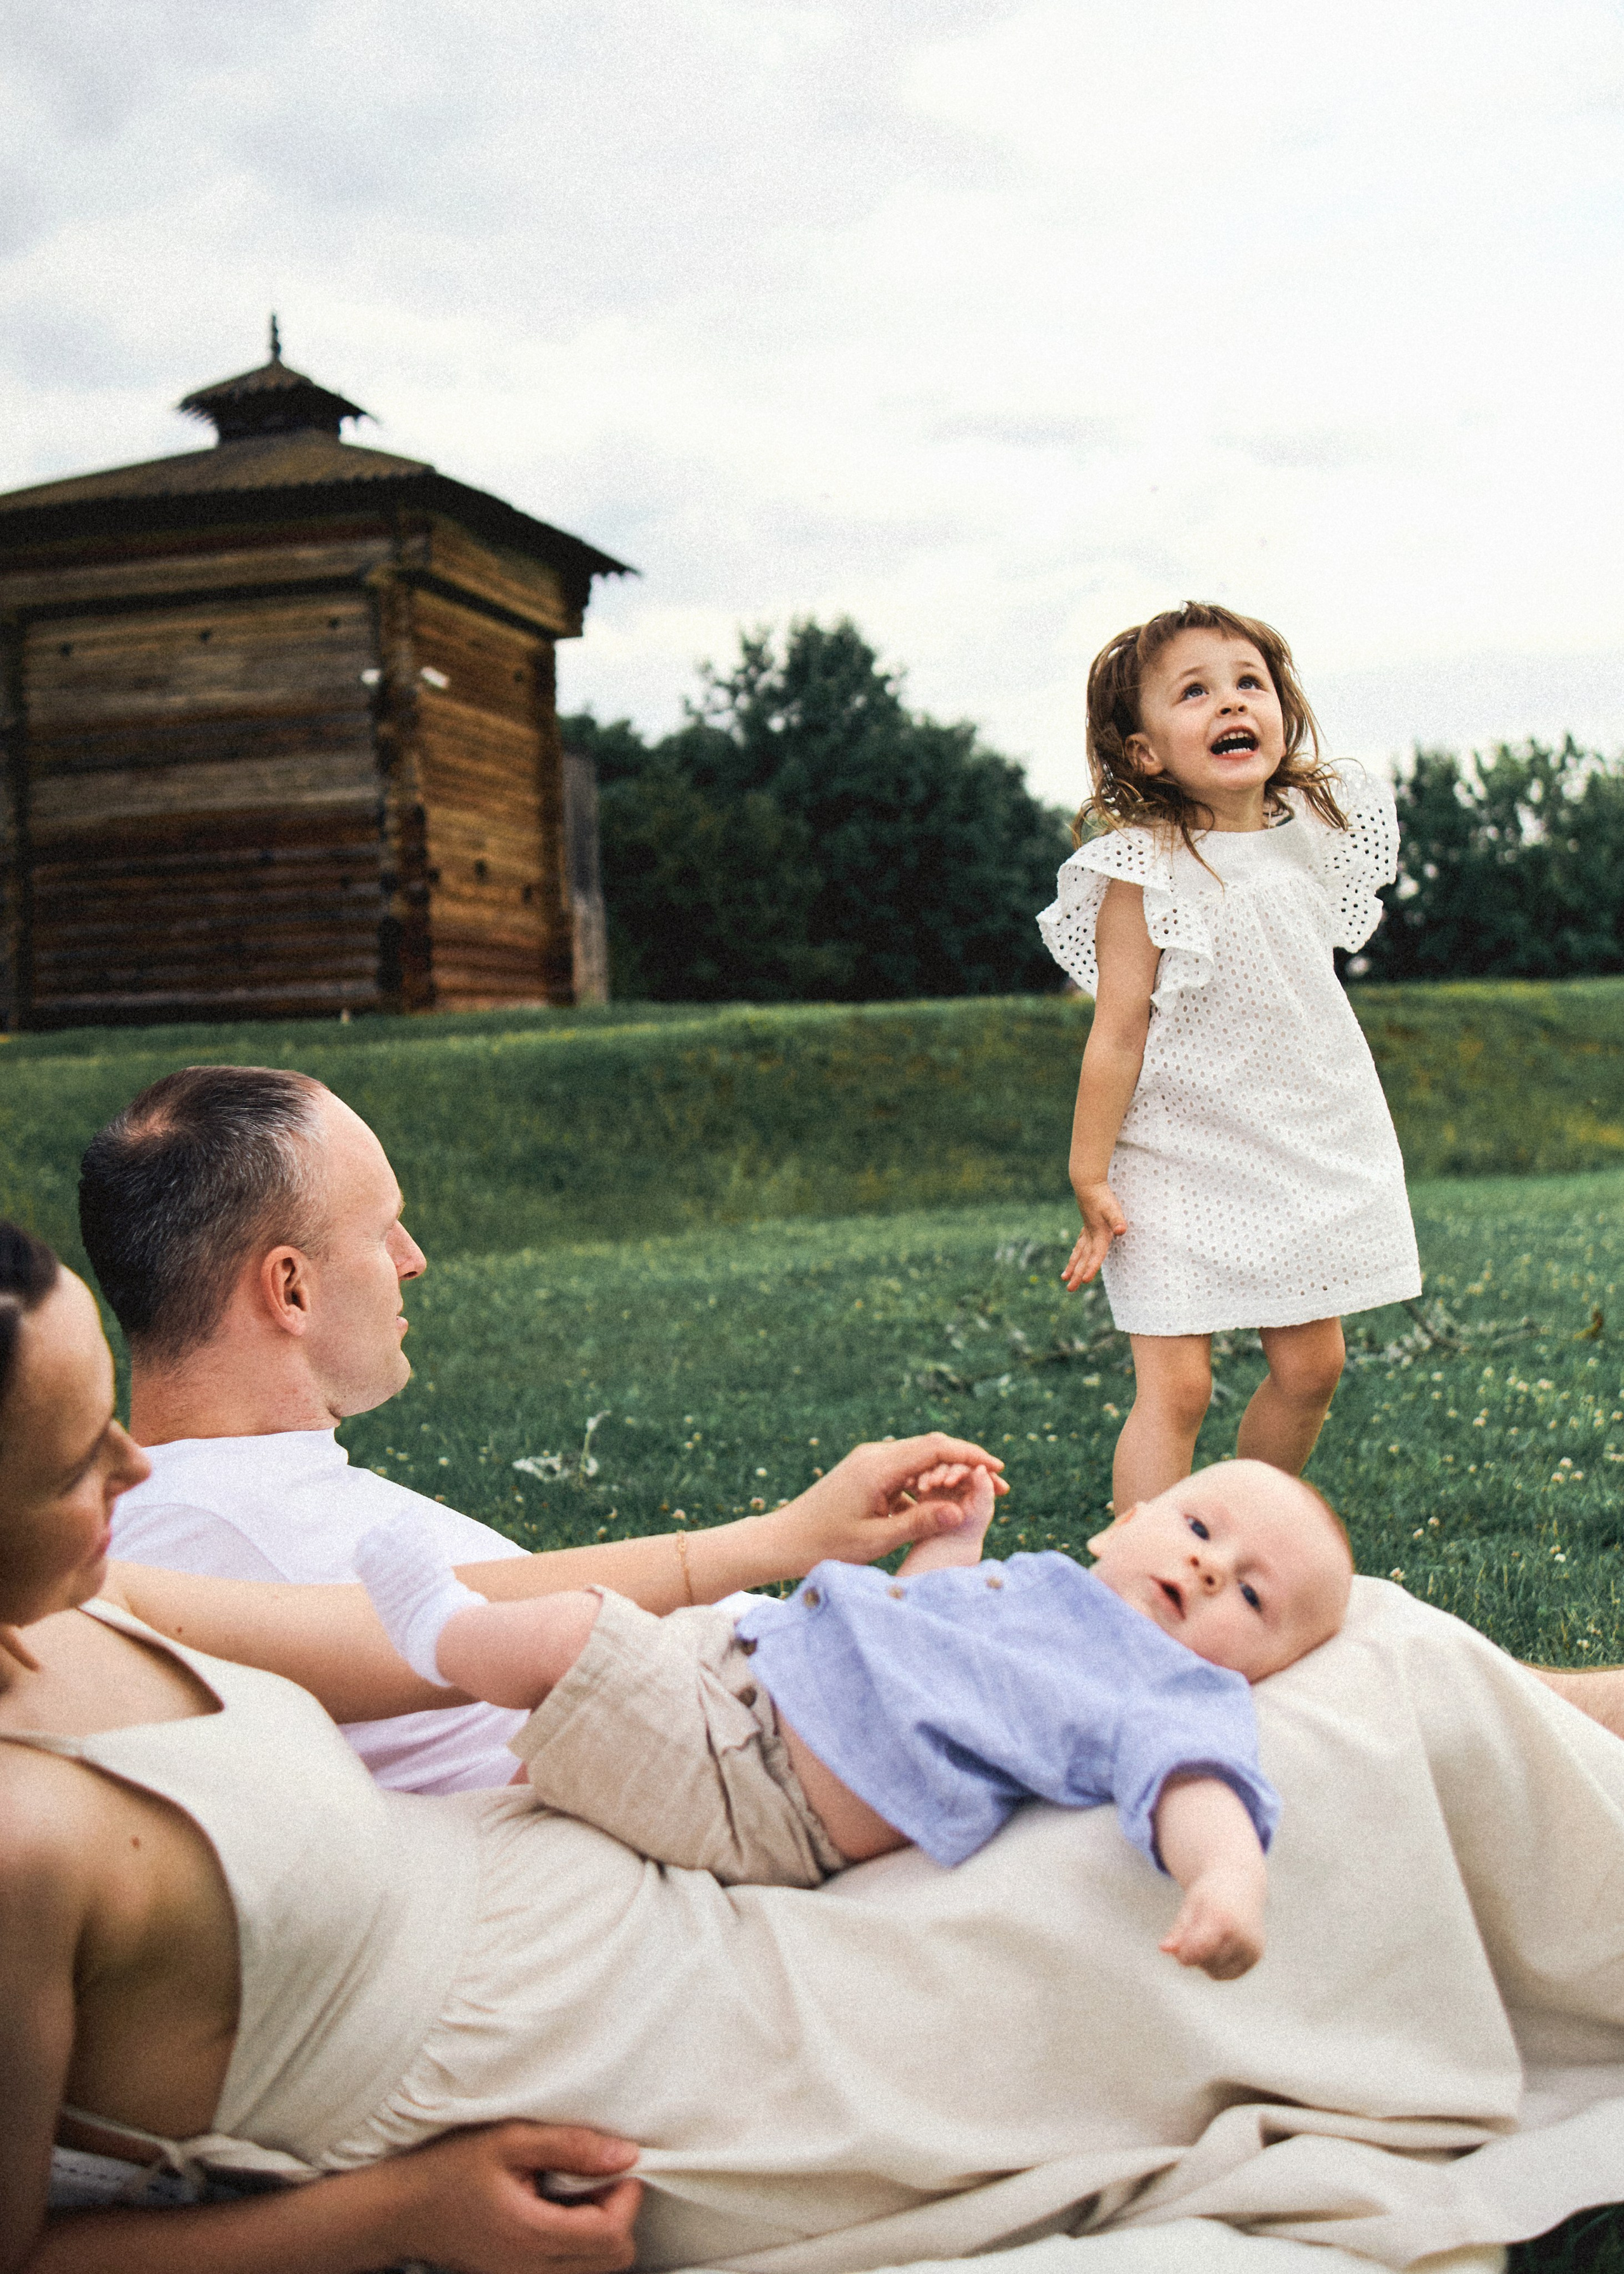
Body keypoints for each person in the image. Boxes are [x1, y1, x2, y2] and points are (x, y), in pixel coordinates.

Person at [11, 1220, 1624, 2274]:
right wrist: (391, 2221)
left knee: (1348, 1655)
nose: (143, 1466)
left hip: (662, 1855)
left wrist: (774, 1537)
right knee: (1283, 1773)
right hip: (623, 2054)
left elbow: (425, 1632)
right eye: (81, 1451)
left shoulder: (94, 1584)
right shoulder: (19, 1840)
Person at [78, 1066, 981, 1793]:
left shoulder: (241, 1502)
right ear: (292, 1290)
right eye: (383, 1230)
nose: (413, 1260)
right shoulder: (205, 1539)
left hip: (789, 1690)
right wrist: (777, 1543)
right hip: (774, 1743)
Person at [358, 1459, 1352, 1983]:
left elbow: (1198, 1780)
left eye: (1254, 1598)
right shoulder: (1047, 1589)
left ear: (1261, 1669)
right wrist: (955, 1541)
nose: (1213, 1567)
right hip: (747, 1672)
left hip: (760, 1786)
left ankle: (443, 1634)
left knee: (577, 1634)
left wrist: (1229, 1877)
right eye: (1198, 1526)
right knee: (599, 1673)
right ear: (1124, 1524)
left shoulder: (1166, 1689)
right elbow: (913, 1624)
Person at [1038, 601, 1422, 1513]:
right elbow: (1118, 1033)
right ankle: (1137, 1585)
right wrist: (1089, 1167)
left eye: (1249, 683)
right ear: (1144, 752)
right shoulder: (1141, 872)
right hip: (1174, 1153)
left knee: (1313, 1366)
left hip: (1293, 1142)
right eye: (1195, 692)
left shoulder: (1313, 837)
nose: (1230, 703)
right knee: (1178, 1389)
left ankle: (1230, 1529)